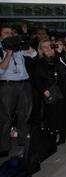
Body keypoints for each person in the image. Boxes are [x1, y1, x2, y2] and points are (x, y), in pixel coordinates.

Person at [0, 24, 37, 158]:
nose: (9, 35)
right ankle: (3, 146)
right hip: (8, 85)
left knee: (24, 114)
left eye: (11, 33)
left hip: (23, 84)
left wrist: (24, 44)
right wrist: (8, 53)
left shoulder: (18, 47)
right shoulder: (1, 49)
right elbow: (1, 69)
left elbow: (34, 54)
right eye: (5, 33)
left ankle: (24, 140)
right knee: (6, 116)